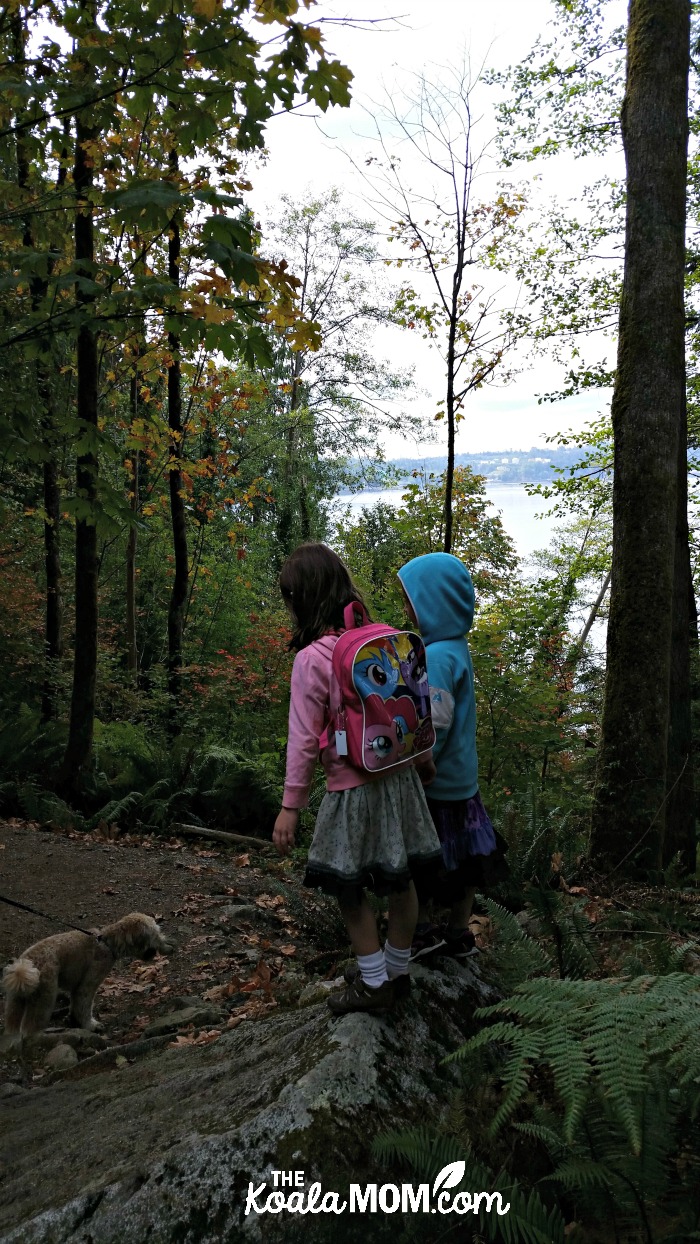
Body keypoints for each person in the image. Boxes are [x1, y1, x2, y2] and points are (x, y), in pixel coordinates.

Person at [272, 542, 443, 1015]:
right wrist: (423, 760)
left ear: (301, 600)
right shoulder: (382, 639)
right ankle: (397, 970)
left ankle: (373, 984)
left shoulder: (312, 659)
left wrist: (291, 805)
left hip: (352, 790)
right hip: (400, 782)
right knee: (401, 881)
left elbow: (304, 739)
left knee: (348, 887)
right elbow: (414, 706)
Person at [397, 552, 508, 960]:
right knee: (466, 862)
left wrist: (420, 761)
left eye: (412, 598)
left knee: (425, 860)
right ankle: (459, 933)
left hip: (438, 781)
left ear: (435, 602)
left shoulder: (438, 656)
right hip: (463, 780)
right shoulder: (455, 646)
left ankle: (422, 930)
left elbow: (436, 722)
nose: (407, 607)